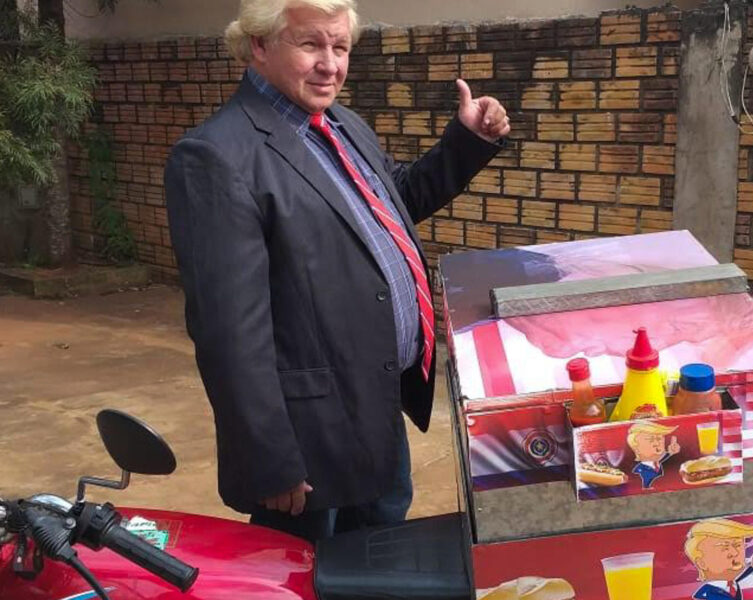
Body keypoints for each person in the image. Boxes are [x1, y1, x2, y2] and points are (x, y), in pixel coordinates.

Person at [164, 0, 509, 541]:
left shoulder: (341, 124)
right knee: (307, 573)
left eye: (340, 47)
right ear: (258, 45)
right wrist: (269, 457)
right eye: (310, 45)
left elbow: (394, 203)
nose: (331, 64)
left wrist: (467, 142)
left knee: (378, 564)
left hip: (375, 405)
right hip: (307, 438)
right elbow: (229, 332)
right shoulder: (217, 156)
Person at [684, 519, 753, 600]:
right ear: (702, 563)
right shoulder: (707, 593)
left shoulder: (731, 584)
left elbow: (738, 578)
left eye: (737, 545)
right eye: (724, 548)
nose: (735, 553)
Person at [627, 422, 680, 489]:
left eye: (659, 439)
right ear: (636, 449)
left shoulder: (656, 463)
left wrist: (670, 452)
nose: (657, 443)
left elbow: (661, 459)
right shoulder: (640, 471)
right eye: (651, 440)